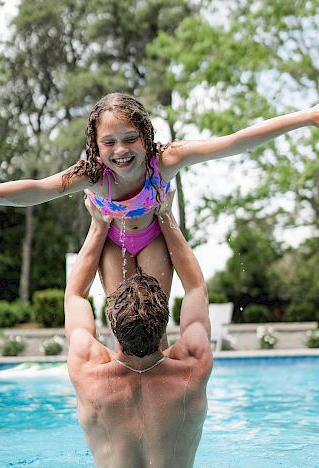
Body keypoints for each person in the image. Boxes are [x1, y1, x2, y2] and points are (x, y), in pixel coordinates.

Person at [0, 90, 319, 298]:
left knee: (155, 317)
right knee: (122, 317)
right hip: (112, 243)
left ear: (145, 137)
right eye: (109, 142)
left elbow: (234, 141)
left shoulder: (164, 160)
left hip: (152, 240)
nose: (120, 150)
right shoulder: (91, 174)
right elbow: (35, 190)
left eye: (129, 138)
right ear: (96, 145)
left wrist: (305, 116)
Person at [64, 190, 212, 467]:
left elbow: (75, 295)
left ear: (112, 325)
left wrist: (98, 227)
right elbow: (195, 288)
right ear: (165, 323)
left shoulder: (88, 370)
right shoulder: (193, 365)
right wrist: (165, 217)